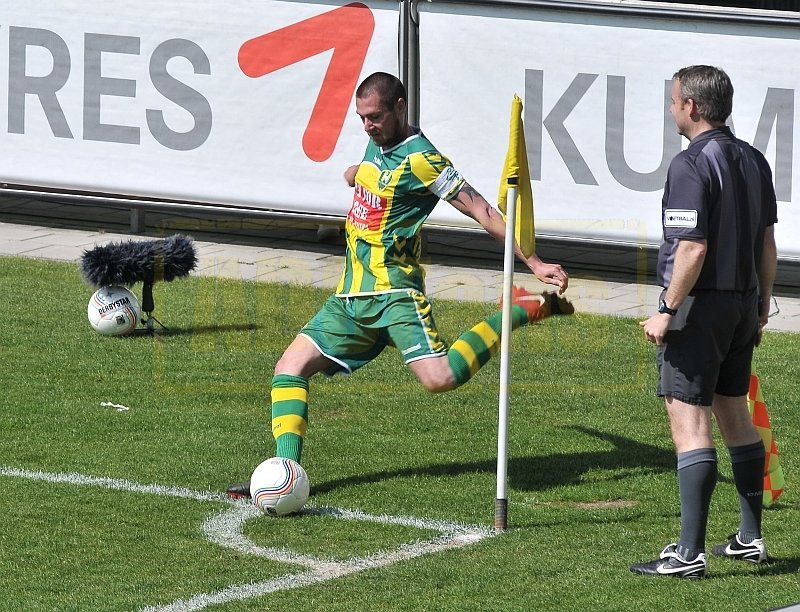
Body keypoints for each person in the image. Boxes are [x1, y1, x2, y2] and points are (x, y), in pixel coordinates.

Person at [227, 71, 572, 498]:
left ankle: (516, 309)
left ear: (400, 108)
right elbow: (375, 175)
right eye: (362, 118)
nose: (367, 126)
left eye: (374, 117)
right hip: (349, 298)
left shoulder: (424, 159)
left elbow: (482, 208)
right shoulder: (377, 143)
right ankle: (287, 473)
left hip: (394, 295)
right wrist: (356, 172)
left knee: (440, 379)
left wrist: (532, 260)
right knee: (288, 369)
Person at [631, 65, 778, 579]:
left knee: (689, 422)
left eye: (674, 101)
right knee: (734, 414)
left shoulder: (691, 164)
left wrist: (667, 310)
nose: (672, 108)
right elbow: (766, 243)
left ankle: (688, 553)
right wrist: (761, 304)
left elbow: (692, 246)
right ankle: (749, 538)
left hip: (699, 307)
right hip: (742, 304)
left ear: (691, 107)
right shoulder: (755, 159)